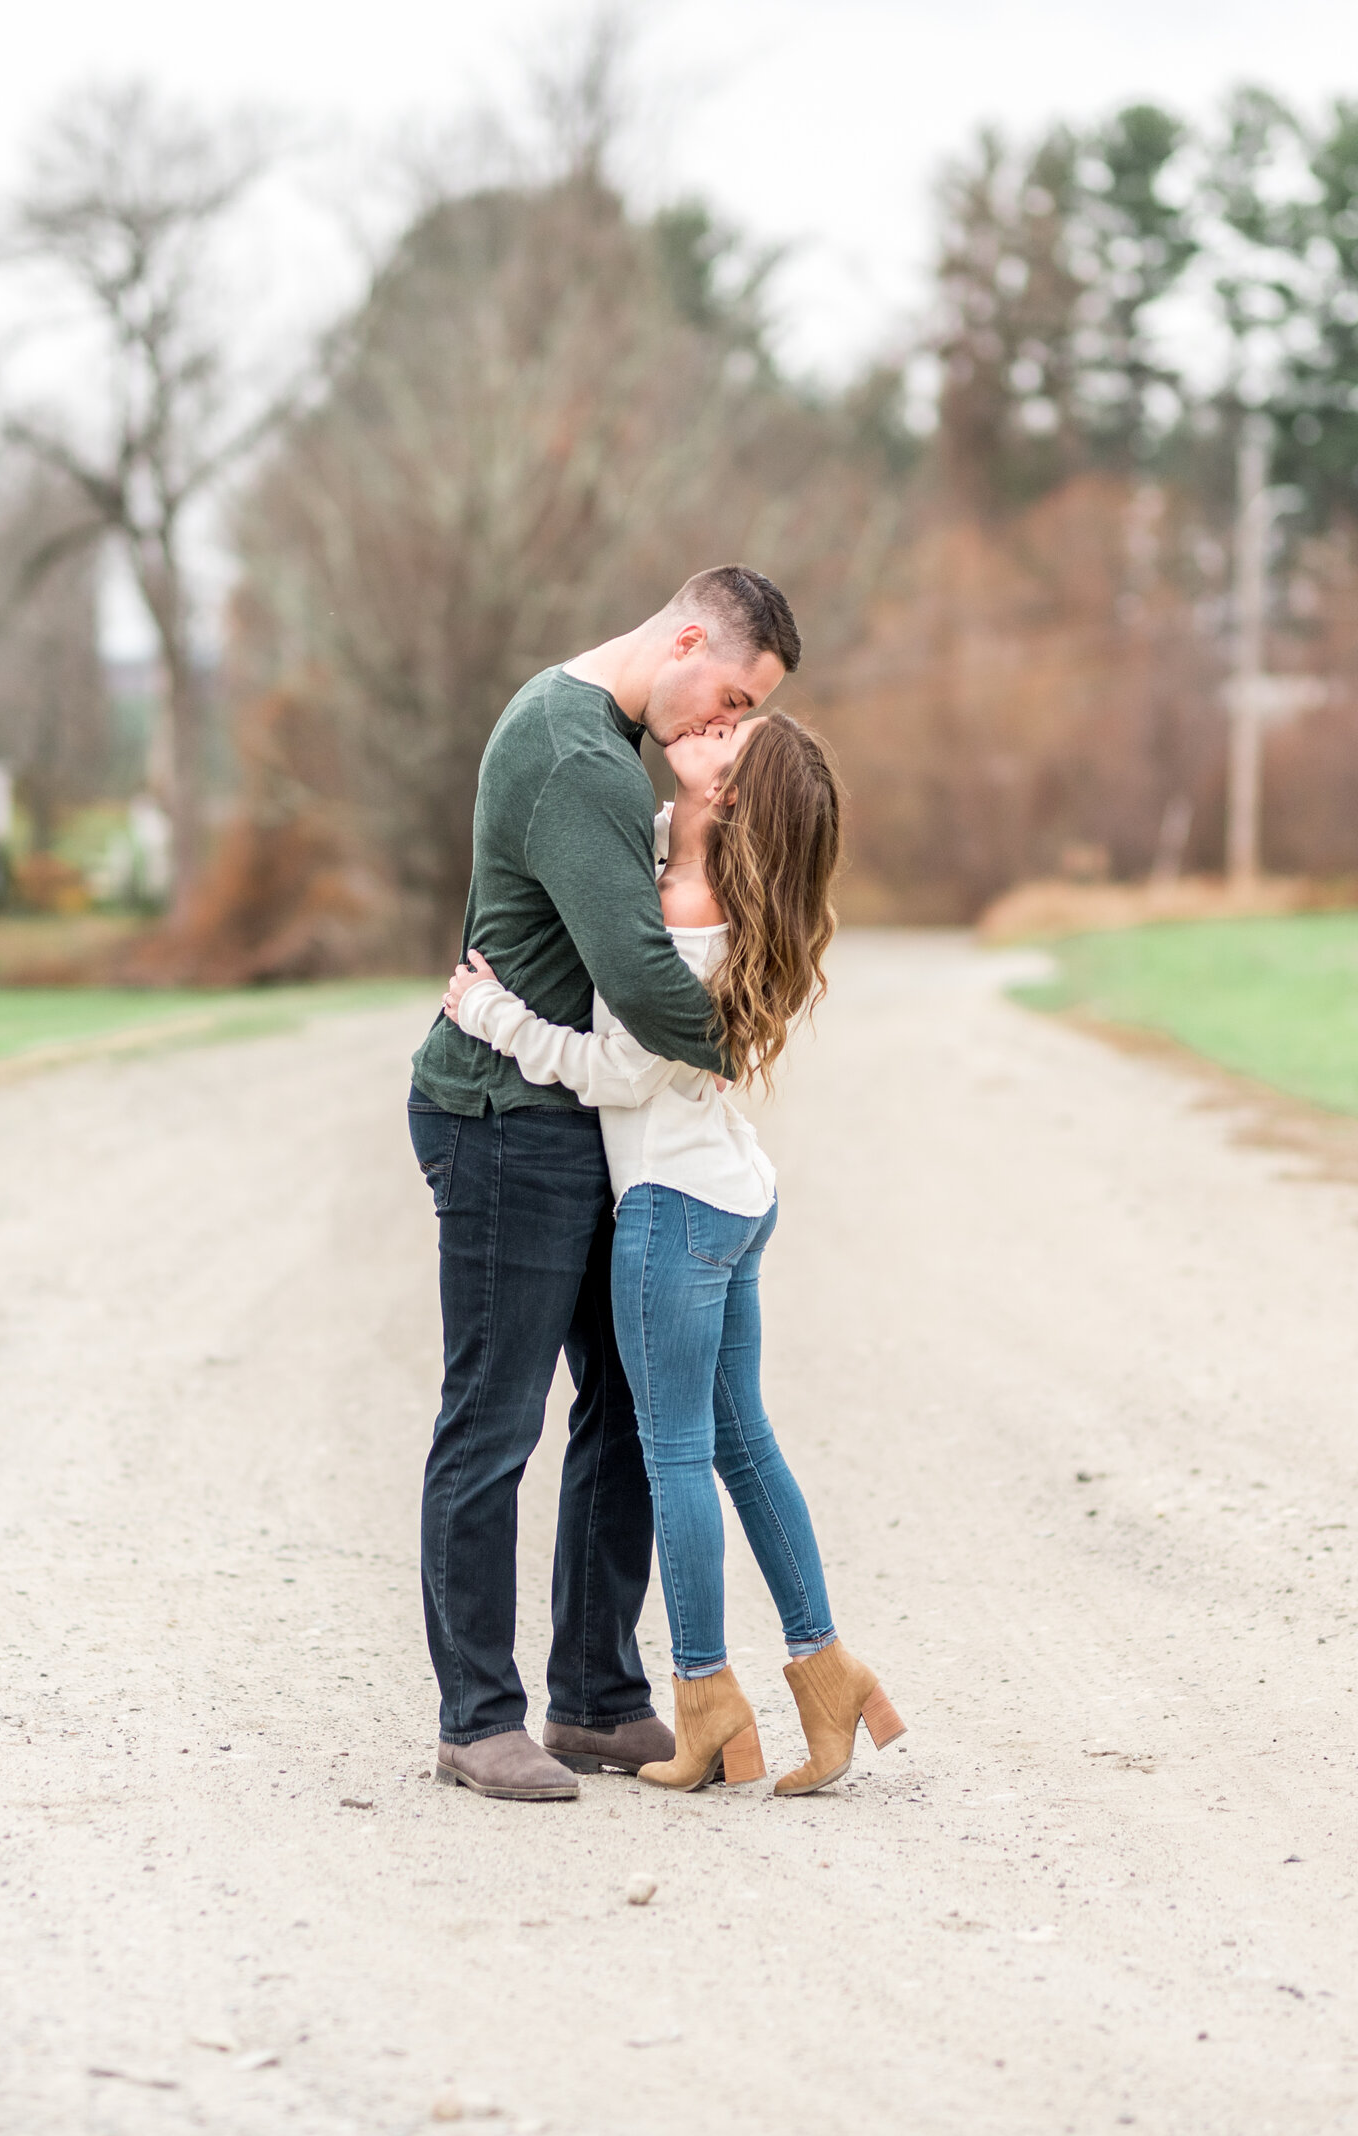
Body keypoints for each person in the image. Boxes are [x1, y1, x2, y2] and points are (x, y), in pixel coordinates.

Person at [439, 706, 903, 1795]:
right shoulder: (690, 868)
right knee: (741, 1449)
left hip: (674, 1206)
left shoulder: (688, 910)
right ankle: (825, 1671)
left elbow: (618, 1074)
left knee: (677, 1457)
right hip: (730, 1193)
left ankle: (702, 1700)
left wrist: (491, 1013)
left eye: (726, 747)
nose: (702, 732)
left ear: (729, 795)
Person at [407, 566, 801, 1802]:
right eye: (727, 697)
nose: (721, 730)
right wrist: (746, 1033)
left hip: (571, 1116)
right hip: (498, 1117)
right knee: (495, 1418)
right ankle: (476, 1718)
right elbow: (638, 977)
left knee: (625, 1411)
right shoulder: (575, 754)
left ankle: (592, 1696)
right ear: (685, 639)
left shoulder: (610, 743)